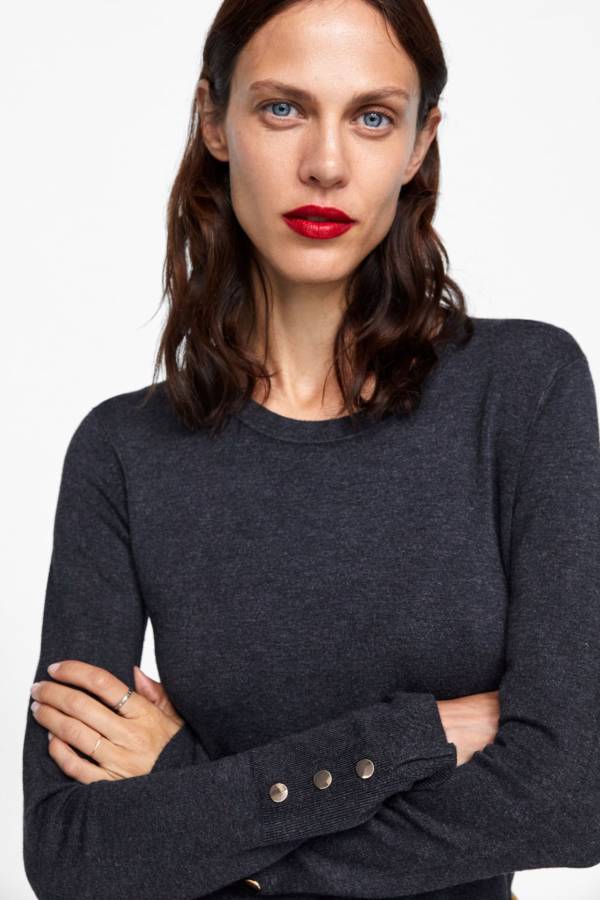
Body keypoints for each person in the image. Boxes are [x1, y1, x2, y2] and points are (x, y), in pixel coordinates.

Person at [22, 1, 600, 898]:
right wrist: (407, 740)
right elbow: (72, 851)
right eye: (283, 108)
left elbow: (571, 798)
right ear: (215, 121)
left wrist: (187, 787)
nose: (326, 163)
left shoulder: (524, 391)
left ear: (419, 143)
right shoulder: (124, 453)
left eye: (372, 117)